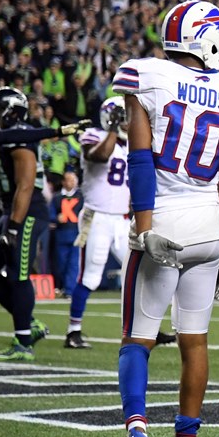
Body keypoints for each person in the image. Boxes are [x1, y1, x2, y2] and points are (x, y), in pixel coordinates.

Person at [112, 0, 219, 437]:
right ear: (210, 41)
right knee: (194, 341)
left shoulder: (147, 74)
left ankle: (136, 431)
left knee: (137, 339)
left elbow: (141, 159)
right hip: (210, 230)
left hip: (165, 226)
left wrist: (146, 226)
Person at [0, 88, 53, 361]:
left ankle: (23, 341)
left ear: (10, 110)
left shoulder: (20, 137)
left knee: (18, 272)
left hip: (27, 212)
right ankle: (30, 324)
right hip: (13, 211)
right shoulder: (10, 136)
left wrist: (14, 226)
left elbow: (26, 186)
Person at [65, 96, 130, 349]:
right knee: (91, 276)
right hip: (97, 218)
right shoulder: (93, 135)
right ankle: (73, 331)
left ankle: (142, 330)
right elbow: (100, 156)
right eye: (122, 118)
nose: (127, 123)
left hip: (123, 221)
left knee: (139, 275)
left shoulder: (131, 144)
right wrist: (112, 129)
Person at [50, 170, 83, 298]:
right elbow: (50, 213)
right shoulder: (57, 197)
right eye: (69, 179)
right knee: (60, 263)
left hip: (76, 232)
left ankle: (70, 290)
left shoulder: (81, 197)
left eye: (73, 179)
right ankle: (62, 286)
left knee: (74, 263)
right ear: (63, 182)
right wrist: (56, 218)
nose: (72, 182)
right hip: (61, 233)